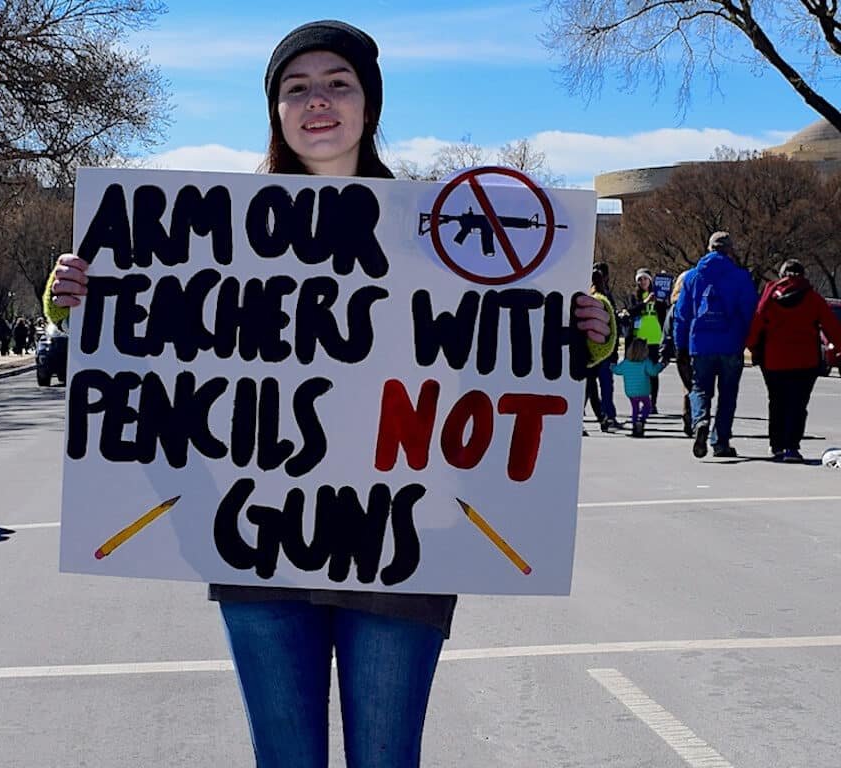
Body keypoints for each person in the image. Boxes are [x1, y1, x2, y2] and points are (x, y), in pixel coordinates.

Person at [44, 19, 613, 767]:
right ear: (276, 111)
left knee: (385, 756)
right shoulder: (207, 233)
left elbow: (505, 353)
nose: (318, 101)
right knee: (285, 758)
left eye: (337, 84)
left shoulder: (439, 231)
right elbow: (146, 350)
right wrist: (74, 303)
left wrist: (587, 333)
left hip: (403, 547)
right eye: (296, 88)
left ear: (368, 106)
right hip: (255, 542)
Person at [745, 259, 841, 462]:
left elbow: (757, 321)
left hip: (774, 358)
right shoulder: (813, 298)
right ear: (803, 275)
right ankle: (792, 447)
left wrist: (752, 346)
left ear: (782, 275)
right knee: (798, 404)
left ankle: (776, 445)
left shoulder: (770, 295)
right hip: (805, 359)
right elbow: (831, 326)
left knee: (777, 401)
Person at [674, 231, 758, 459]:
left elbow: (681, 315)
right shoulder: (740, 277)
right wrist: (751, 342)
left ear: (709, 248)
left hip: (699, 344)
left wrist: (679, 344)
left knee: (700, 389)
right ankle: (720, 441)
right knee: (728, 395)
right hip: (731, 343)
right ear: (730, 250)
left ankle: (700, 421)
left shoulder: (692, 277)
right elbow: (750, 312)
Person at [619, 268, 667, 413]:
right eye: (640, 279)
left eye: (645, 279)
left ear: (650, 280)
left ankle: (653, 403)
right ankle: (640, 400)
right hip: (638, 338)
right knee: (639, 372)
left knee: (652, 371)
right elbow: (631, 312)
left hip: (654, 337)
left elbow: (664, 313)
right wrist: (645, 302)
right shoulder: (635, 296)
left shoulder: (657, 295)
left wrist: (661, 300)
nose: (643, 282)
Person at [658, 270, 694, 436]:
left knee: (688, 386)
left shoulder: (675, 306)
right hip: (697, 347)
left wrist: (664, 355)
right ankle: (697, 417)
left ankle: (689, 416)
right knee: (699, 386)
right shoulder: (697, 302)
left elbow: (667, 330)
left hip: (681, 349)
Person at [584, 265, 619, 433]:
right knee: (601, 386)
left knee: (589, 387)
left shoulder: (590, 299)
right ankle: (604, 418)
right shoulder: (606, 299)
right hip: (604, 350)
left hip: (589, 351)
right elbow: (613, 327)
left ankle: (600, 418)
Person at [611, 338, 665, 437]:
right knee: (647, 406)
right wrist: (661, 365)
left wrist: (612, 365)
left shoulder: (626, 363)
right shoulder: (646, 362)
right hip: (644, 390)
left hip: (631, 392)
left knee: (635, 408)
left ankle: (635, 424)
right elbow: (653, 372)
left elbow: (617, 370)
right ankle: (642, 420)